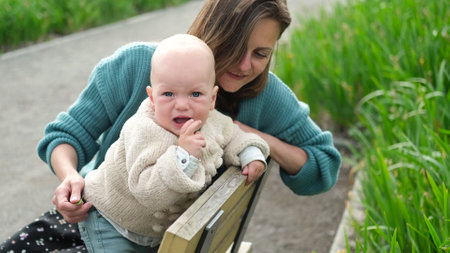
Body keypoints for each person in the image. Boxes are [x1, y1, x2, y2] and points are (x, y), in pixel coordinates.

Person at [1, 0, 341, 252]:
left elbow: (322, 165)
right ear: (213, 30)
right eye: (236, 47)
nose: (243, 65)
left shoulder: (266, 96)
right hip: (101, 216)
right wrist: (70, 177)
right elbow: (64, 137)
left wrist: (254, 136)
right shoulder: (138, 64)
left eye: (261, 54)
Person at [78, 34, 269, 252]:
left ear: (212, 99)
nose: (181, 105)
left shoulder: (214, 122)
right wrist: (183, 157)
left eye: (195, 94)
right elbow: (148, 192)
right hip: (111, 221)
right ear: (152, 97)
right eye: (168, 94)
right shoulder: (142, 130)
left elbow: (235, 136)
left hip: (156, 232)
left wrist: (251, 153)